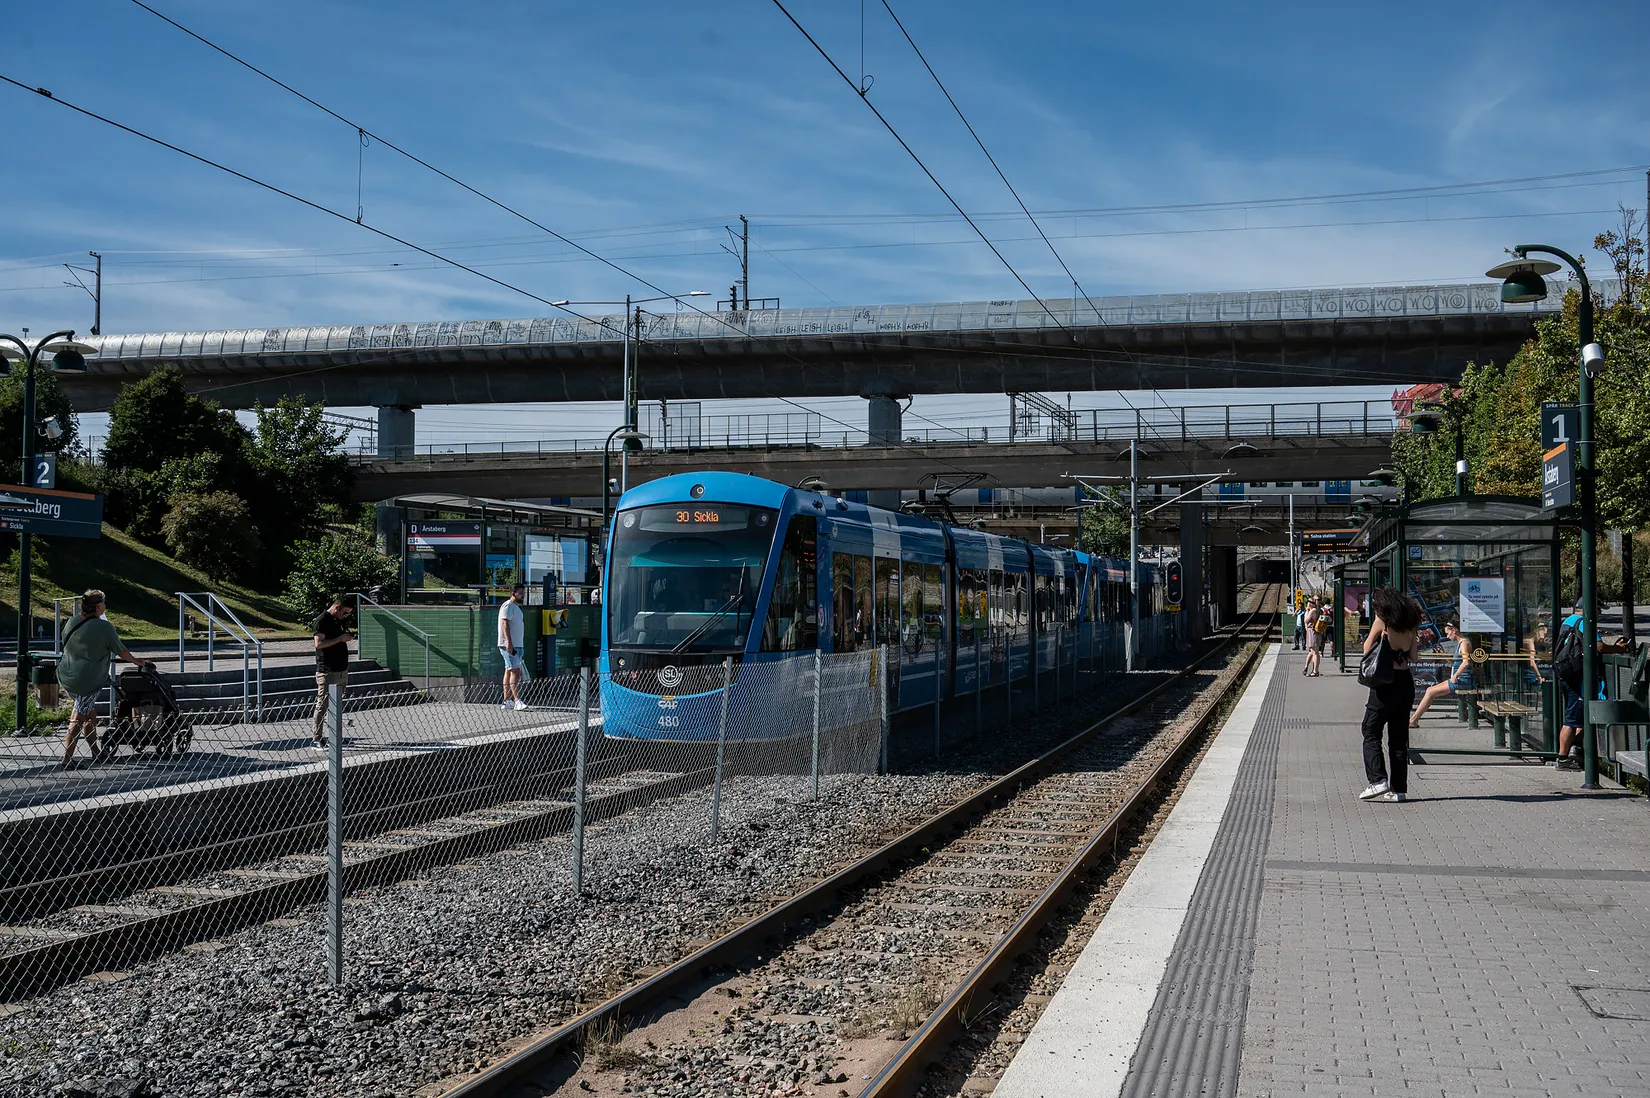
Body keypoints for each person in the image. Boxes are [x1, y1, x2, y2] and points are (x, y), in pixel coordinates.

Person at [55, 590, 153, 769]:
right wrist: (140, 662)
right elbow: (121, 651)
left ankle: (96, 753)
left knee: (89, 713)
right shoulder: (104, 627)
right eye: (104, 603)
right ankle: (67, 759)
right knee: (78, 716)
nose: (106, 606)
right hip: (88, 680)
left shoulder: (72, 622)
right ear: (99, 606)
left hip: (66, 675)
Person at [1360, 587, 1421, 803]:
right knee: (1398, 738)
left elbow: (1367, 648)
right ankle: (1399, 790)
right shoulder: (1411, 623)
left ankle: (1377, 780)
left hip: (1385, 682)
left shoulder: (1382, 621)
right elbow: (1413, 656)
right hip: (1405, 683)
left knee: (1370, 731)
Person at [1552, 603, 1629, 771]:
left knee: (1578, 717)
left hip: (1566, 673)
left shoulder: (1569, 620)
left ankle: (1575, 751)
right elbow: (1599, 646)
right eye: (1598, 609)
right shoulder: (1586, 622)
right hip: (1577, 676)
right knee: (1571, 720)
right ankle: (1563, 758)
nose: (1599, 612)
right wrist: (1618, 648)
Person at [1410, 621, 1472, 726]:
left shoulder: (1464, 644)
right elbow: (1454, 663)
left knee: (1430, 692)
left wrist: (1456, 675)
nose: (1447, 636)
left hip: (1462, 679)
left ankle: (1413, 720)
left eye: (1448, 633)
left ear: (1454, 630)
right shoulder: (1460, 644)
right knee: (1430, 690)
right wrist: (1444, 654)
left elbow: (1466, 662)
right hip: (1458, 678)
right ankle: (1414, 720)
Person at [312, 596, 352, 749]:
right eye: (344, 612)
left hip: (341, 668)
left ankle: (336, 737)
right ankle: (317, 738)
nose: (345, 616)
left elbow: (340, 637)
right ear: (337, 608)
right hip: (327, 670)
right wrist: (340, 639)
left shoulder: (338, 620)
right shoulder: (322, 620)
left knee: (337, 705)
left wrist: (346, 637)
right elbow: (319, 644)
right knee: (322, 705)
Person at [498, 583, 528, 711]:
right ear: (513, 593)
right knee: (515, 671)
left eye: (523, 592)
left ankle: (507, 701)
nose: (522, 595)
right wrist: (509, 642)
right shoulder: (508, 606)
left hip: (517, 644)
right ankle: (517, 700)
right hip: (510, 645)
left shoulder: (516, 608)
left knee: (509, 670)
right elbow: (504, 623)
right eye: (520, 592)